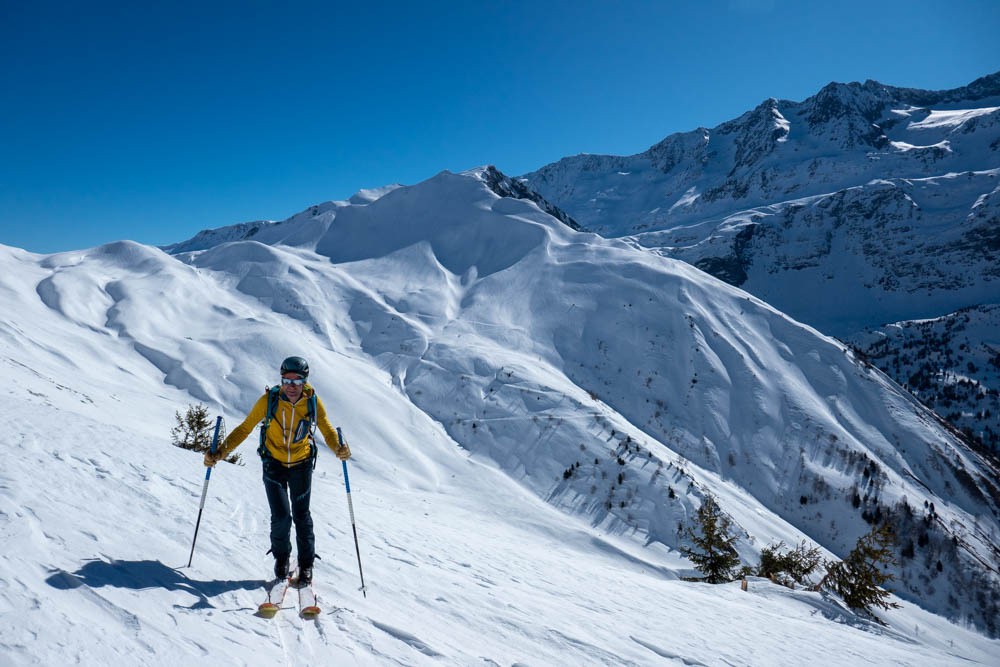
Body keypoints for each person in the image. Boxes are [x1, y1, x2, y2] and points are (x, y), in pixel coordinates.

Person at [204, 356, 351, 585]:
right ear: (281, 380)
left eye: (297, 381)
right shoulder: (269, 400)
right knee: (281, 516)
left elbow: (327, 430)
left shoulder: (312, 401)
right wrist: (220, 453)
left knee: (302, 516)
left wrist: (339, 448)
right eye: (287, 380)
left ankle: (306, 564)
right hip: (274, 463)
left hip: (301, 464)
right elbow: (245, 428)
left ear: (305, 382)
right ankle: (281, 559)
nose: (291, 386)